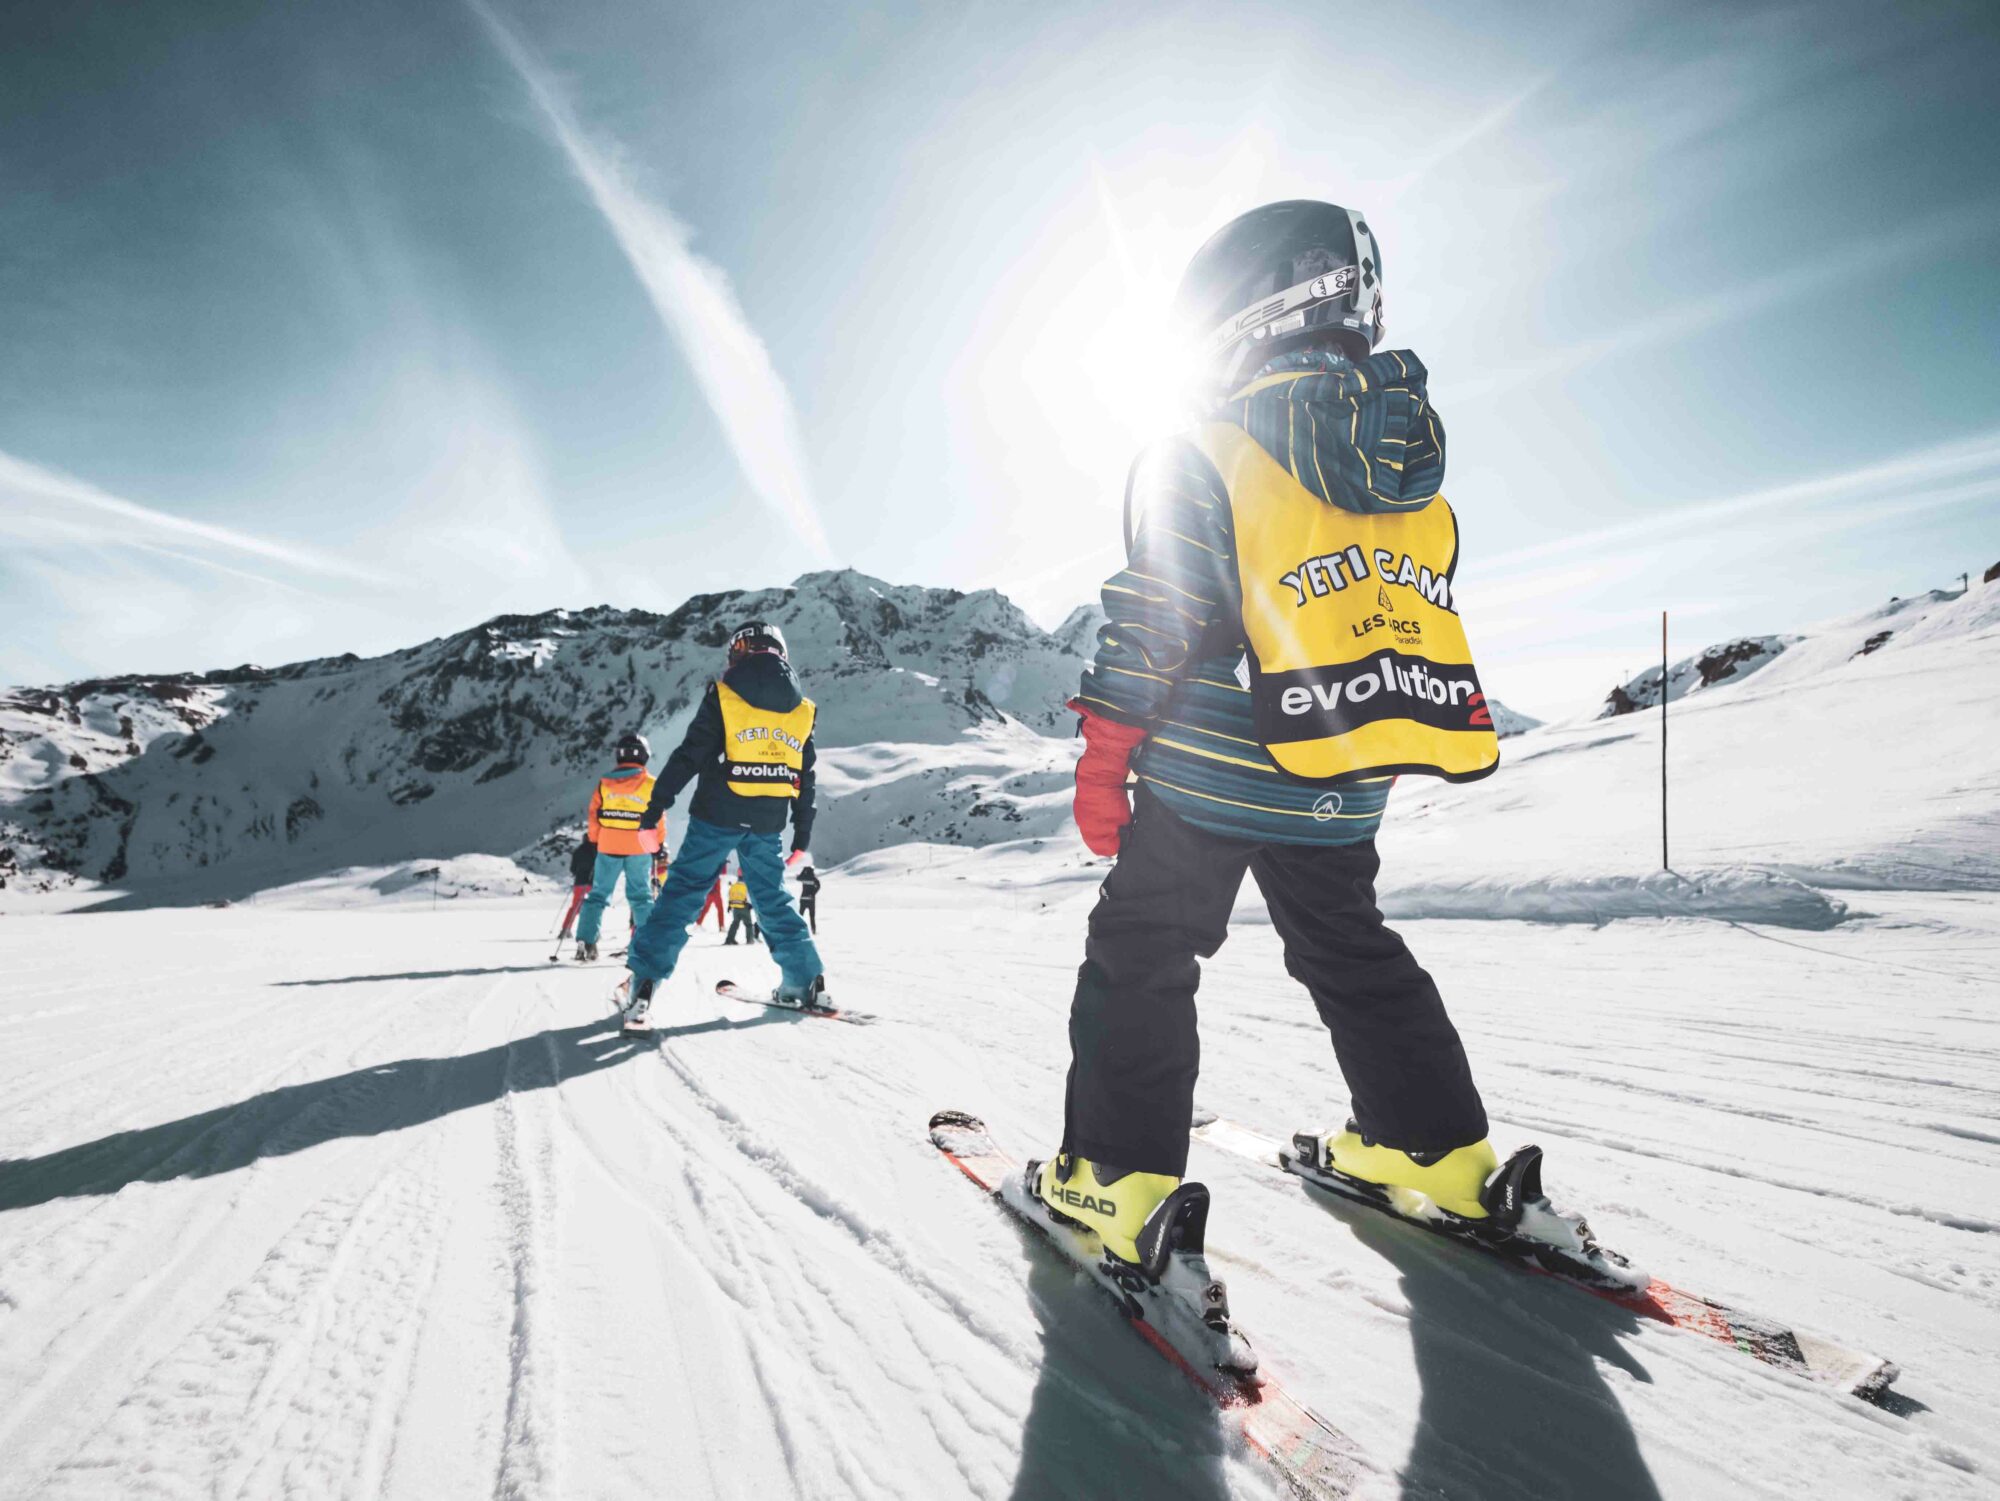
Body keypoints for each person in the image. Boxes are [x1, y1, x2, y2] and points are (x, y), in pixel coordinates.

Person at [1032, 201, 1503, 1268]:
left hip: (1213, 764)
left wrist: (1105, 755)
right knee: (1351, 950)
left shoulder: (1202, 446)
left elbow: (1157, 609)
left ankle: (1114, 1180)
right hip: (1344, 761)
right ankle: (1431, 1150)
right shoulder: (1408, 465)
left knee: (1144, 951)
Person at [620, 622, 826, 1023]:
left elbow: (688, 757)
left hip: (717, 815)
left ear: (736, 654)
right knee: (772, 900)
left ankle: (644, 984)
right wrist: (802, 832)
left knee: (681, 897)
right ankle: (805, 980)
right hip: (767, 823)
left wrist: (653, 810)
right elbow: (806, 777)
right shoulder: (803, 710)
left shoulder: (725, 696)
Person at [573, 731, 663, 962]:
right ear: (644, 756)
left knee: (598, 895)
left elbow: (594, 815)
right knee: (641, 897)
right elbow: (658, 818)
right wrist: (658, 845)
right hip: (638, 847)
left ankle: (586, 941)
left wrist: (594, 841)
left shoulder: (605, 784)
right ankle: (646, 945)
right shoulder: (650, 784)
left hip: (608, 844)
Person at [555, 834, 596, 941]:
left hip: (579, 883)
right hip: (593, 883)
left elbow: (573, 869)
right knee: (593, 907)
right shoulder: (596, 850)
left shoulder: (578, 851)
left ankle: (565, 929)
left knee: (575, 907)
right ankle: (592, 932)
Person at [723, 877, 758, 946]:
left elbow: (728, 895)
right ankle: (750, 940)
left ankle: (729, 939)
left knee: (735, 924)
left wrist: (729, 906)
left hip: (735, 908)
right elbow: (749, 897)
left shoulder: (733, 886)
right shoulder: (746, 887)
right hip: (744, 907)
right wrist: (751, 905)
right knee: (748, 924)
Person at [796, 863, 820, 935]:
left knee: (800, 916)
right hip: (811, 900)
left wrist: (803, 870)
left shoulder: (804, 877)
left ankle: (798, 930)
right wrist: (813, 893)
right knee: (812, 916)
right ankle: (813, 930)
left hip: (803, 899)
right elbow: (818, 886)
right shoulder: (814, 878)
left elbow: (798, 878)